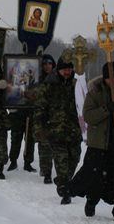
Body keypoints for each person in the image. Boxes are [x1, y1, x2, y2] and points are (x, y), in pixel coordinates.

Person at [65, 62, 114, 223]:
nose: (113, 82)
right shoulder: (95, 94)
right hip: (99, 146)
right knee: (96, 177)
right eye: (109, 78)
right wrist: (107, 109)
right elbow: (88, 116)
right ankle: (91, 201)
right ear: (105, 78)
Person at [34, 57, 82, 205]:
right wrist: (38, 129)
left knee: (74, 158)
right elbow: (40, 109)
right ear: (58, 69)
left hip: (74, 131)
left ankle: (64, 181)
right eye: (64, 69)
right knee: (62, 161)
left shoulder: (77, 85)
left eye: (69, 69)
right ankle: (64, 189)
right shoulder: (48, 86)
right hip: (56, 131)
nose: (67, 72)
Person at [35, 54, 57, 184]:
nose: (47, 66)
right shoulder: (37, 78)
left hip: (55, 116)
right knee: (43, 144)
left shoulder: (57, 78)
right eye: (45, 64)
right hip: (42, 115)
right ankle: (46, 171)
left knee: (56, 144)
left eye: (50, 64)